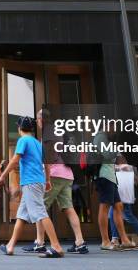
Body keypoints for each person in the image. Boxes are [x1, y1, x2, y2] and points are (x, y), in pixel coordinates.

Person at [0, 116, 64, 258]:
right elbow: (46, 163)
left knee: (40, 213)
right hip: (37, 181)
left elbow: (15, 159)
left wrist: (3, 175)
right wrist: (47, 180)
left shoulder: (23, 140)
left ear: (19, 128)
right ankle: (10, 246)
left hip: (30, 182)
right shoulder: (38, 143)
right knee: (21, 215)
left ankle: (56, 247)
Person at [24, 109, 88, 254]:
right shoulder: (59, 130)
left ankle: (39, 243)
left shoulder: (48, 133)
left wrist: (44, 175)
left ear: (42, 119)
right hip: (67, 174)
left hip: (54, 174)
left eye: (37, 119)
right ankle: (80, 242)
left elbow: (48, 157)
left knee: (40, 208)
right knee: (68, 208)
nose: (36, 122)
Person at [92, 128, 135, 251]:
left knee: (118, 206)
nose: (114, 129)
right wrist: (117, 148)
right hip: (104, 175)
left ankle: (125, 240)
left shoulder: (107, 138)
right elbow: (108, 154)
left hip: (110, 176)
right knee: (105, 206)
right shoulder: (100, 137)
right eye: (112, 125)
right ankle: (105, 241)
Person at [109, 161, 138, 248]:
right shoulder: (128, 165)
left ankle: (116, 239)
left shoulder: (120, 164)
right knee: (118, 213)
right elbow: (135, 180)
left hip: (121, 191)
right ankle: (116, 239)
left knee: (122, 214)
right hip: (124, 192)